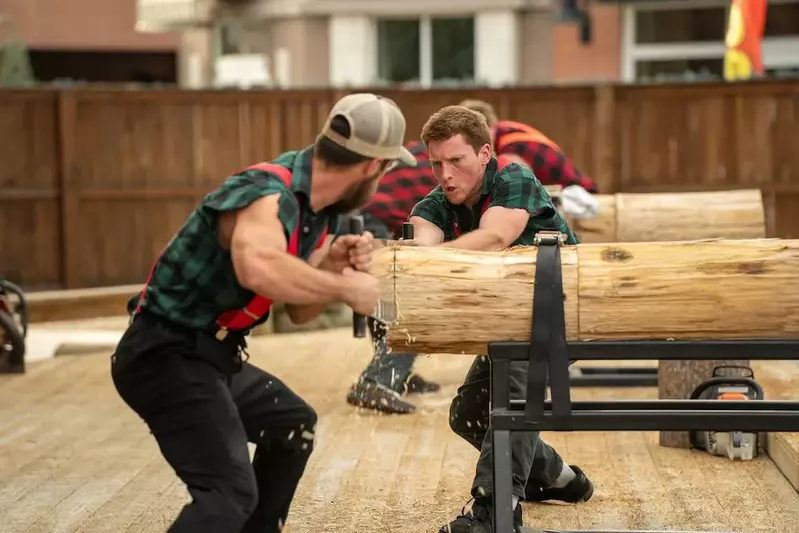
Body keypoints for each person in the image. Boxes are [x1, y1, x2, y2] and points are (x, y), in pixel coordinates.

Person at [110, 93, 415, 533]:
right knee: (229, 494)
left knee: (292, 427)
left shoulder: (317, 211)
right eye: (386, 171)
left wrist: (329, 267)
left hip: (209, 357)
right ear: (373, 167)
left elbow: (299, 311)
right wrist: (348, 288)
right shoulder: (268, 193)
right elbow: (257, 268)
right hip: (163, 355)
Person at [407, 105, 594, 533]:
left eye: (456, 160)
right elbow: (422, 241)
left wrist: (430, 258)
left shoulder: (514, 178)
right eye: (437, 163)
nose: (445, 174)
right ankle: (561, 479)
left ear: (485, 153)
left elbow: (494, 237)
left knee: (511, 403)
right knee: (468, 412)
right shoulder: (438, 202)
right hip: (512, 325)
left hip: (563, 314)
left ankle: (494, 512)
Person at [344, 139, 443, 415]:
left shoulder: (422, 148)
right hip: (374, 216)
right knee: (409, 291)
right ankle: (378, 379)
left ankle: (395, 374)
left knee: (384, 290)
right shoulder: (457, 161)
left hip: (362, 210)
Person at [458, 98, 601, 221]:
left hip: (575, 193)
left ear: (488, 129)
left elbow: (513, 184)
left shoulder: (511, 147)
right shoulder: (507, 129)